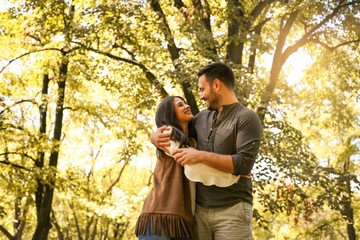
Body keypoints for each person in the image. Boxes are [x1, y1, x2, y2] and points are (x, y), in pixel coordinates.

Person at [151, 62, 262, 240]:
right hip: (199, 212)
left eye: (203, 89)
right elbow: (176, 132)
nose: (201, 96)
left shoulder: (246, 118)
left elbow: (244, 164)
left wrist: (199, 155)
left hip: (232, 211)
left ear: (217, 85)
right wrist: (154, 138)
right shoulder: (201, 118)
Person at [135, 96, 196, 240]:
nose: (187, 106)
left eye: (185, 103)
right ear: (170, 114)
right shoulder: (168, 135)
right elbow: (194, 165)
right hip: (160, 217)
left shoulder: (193, 142)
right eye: (180, 105)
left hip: (182, 220)